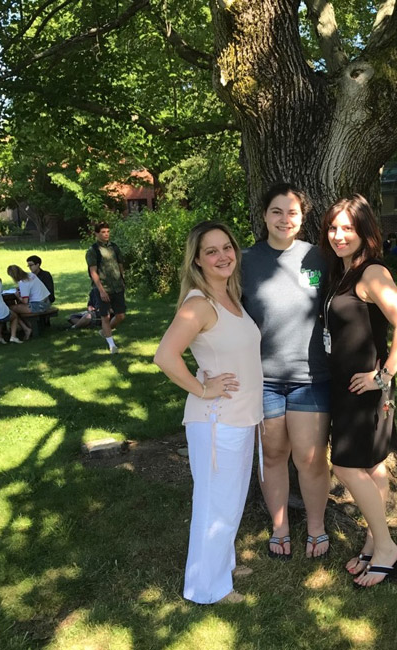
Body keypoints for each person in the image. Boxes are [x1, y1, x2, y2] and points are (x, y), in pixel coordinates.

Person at [154, 221, 263, 605]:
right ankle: (206, 589)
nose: (222, 256)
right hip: (217, 419)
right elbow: (165, 356)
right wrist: (203, 388)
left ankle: (222, 563)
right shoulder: (199, 304)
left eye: (226, 247)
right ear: (197, 261)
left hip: (240, 416)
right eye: (211, 251)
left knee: (229, 500)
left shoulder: (230, 298)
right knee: (215, 502)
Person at [319, 194, 397, 588]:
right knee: (373, 467)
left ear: (364, 232)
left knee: (344, 466)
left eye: (348, 228)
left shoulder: (372, 272)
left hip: (364, 392)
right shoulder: (344, 272)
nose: (339, 235)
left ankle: (388, 549)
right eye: (333, 227)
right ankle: (373, 544)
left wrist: (383, 376)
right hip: (347, 388)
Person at [241, 183, 331, 560]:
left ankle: (316, 528)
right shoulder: (244, 260)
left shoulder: (320, 258)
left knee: (310, 458)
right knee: (274, 455)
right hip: (262, 379)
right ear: (264, 215)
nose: (284, 219)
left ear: (303, 217)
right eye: (276, 211)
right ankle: (279, 527)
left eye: (292, 212)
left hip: (311, 377)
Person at [86, 222, 126, 354]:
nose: (106, 234)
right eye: (103, 232)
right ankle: (112, 345)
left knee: (120, 315)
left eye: (108, 231)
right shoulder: (93, 251)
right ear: (96, 234)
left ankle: (104, 332)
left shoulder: (114, 247)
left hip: (117, 286)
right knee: (105, 316)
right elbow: (93, 272)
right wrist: (101, 290)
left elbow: (120, 264)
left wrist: (123, 279)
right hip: (103, 287)